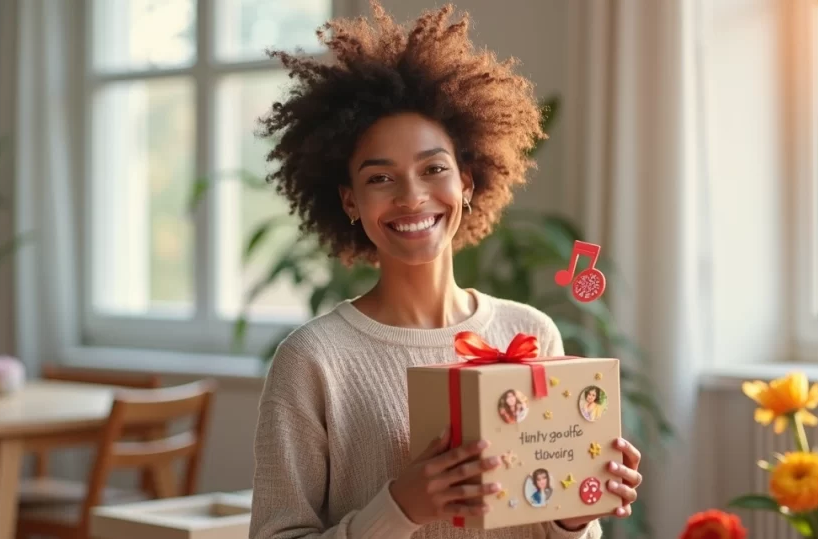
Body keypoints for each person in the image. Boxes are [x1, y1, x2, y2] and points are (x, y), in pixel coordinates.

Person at [249, 2, 643, 538]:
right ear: (349, 201)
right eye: (380, 178)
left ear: (469, 183)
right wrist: (401, 507)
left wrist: (573, 517)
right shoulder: (312, 362)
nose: (412, 198)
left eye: (434, 169)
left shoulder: (530, 334)